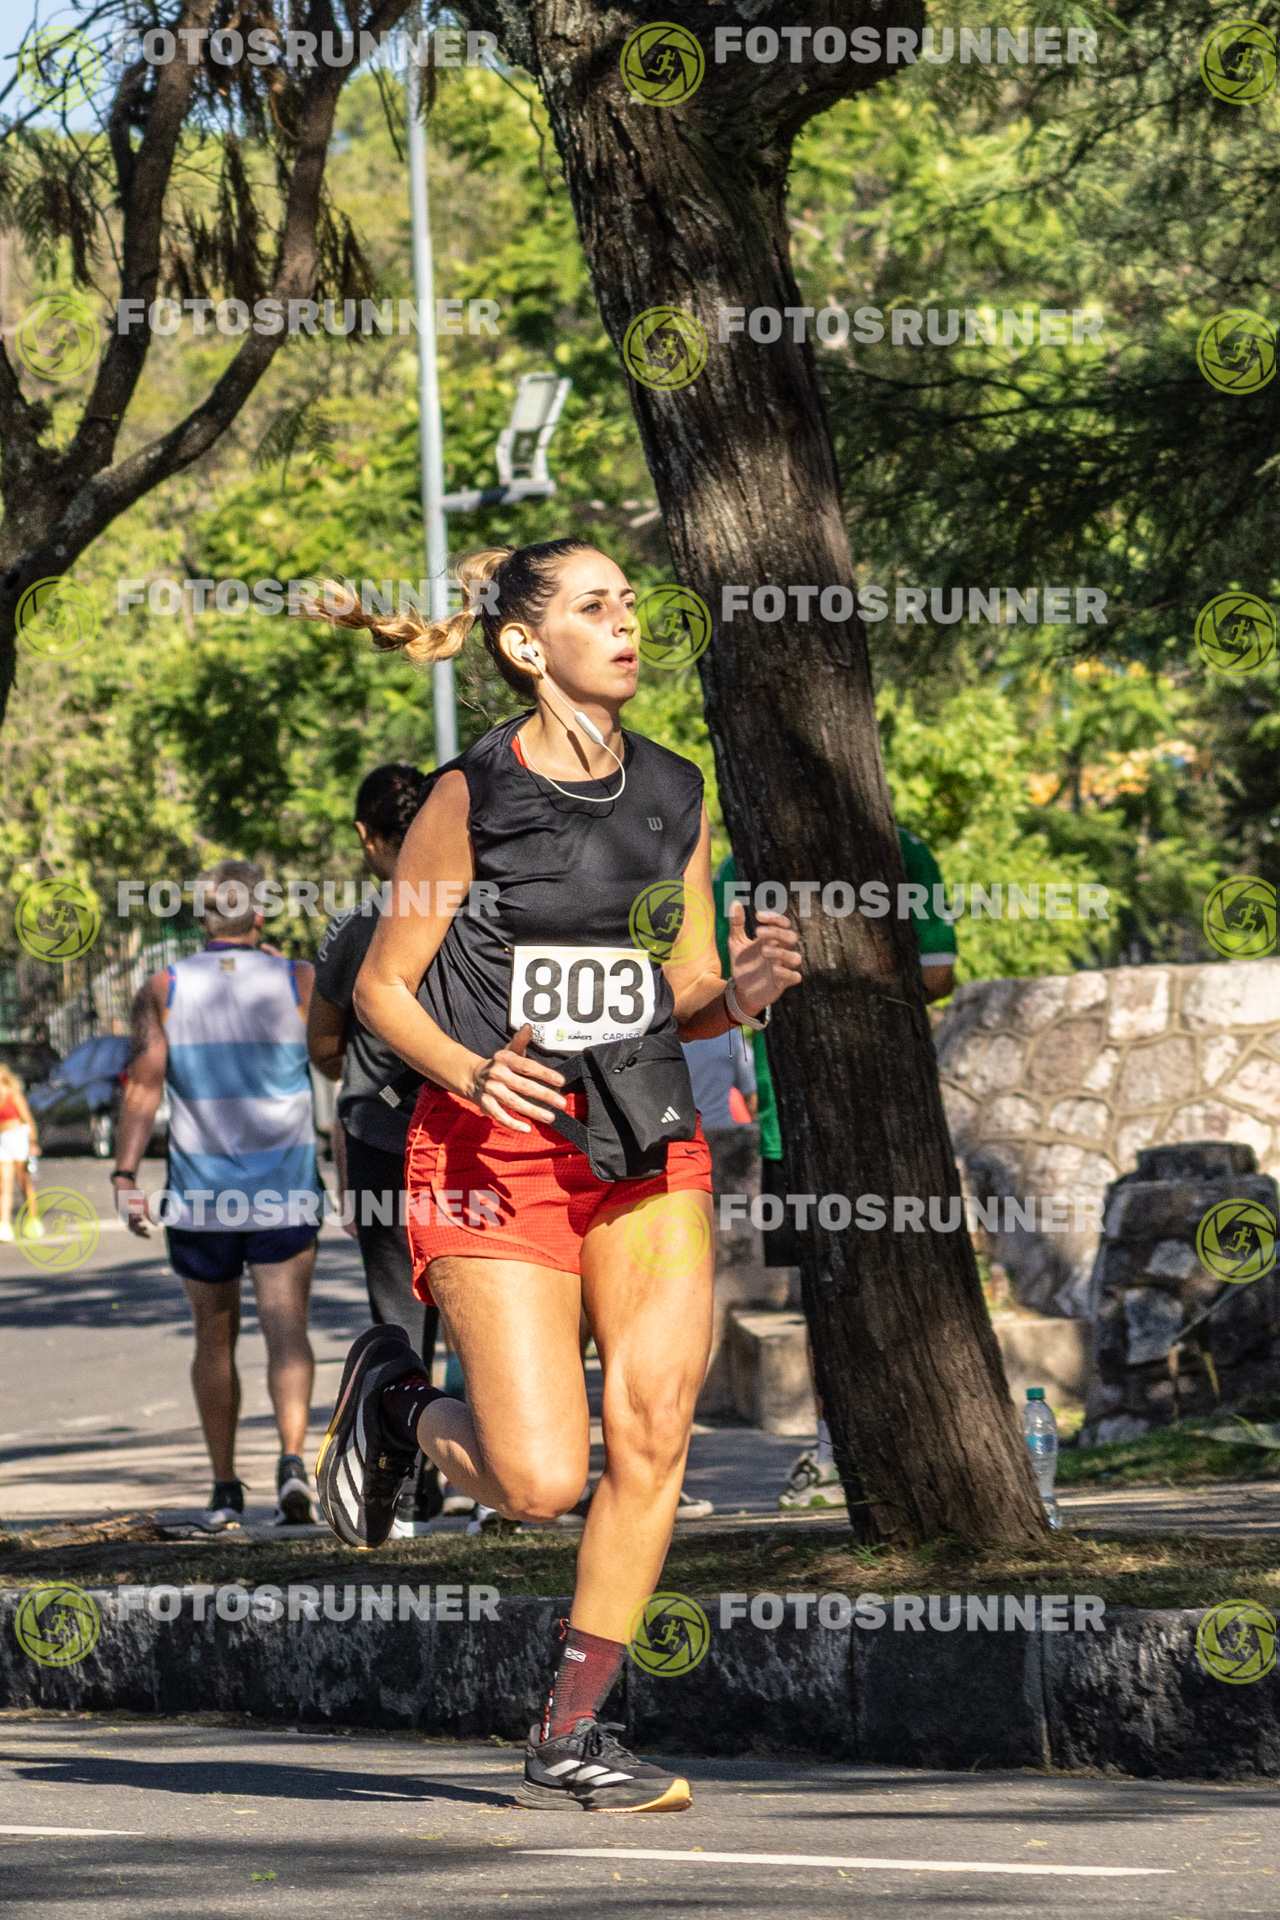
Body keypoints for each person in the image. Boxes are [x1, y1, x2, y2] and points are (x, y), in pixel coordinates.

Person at [309, 539, 802, 1811]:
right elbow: (383, 989)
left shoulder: (675, 789)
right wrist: (470, 1073)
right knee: (537, 1484)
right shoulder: (469, 793)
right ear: (526, 645)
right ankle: (394, 1402)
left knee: (653, 1429)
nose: (627, 624)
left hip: (643, 1140)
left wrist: (738, 993)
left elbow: (682, 991)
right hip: (494, 1152)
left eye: (628, 604)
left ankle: (573, 1729)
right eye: (595, 608)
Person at [716, 834, 958, 1512]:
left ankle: (906, 1445)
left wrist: (820, 975)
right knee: (828, 1294)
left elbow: (939, 974)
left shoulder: (901, 855)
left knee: (891, 1287)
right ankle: (835, 1452)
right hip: (804, 1121)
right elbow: (727, 990)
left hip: (883, 1122)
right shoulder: (741, 868)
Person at [113, 859, 324, 1530]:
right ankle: (293, 1463)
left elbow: (143, 1088)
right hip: (285, 1187)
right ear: (259, 914)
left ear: (203, 916)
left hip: (201, 1194)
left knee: (213, 1337)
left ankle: (226, 1487)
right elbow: (334, 1063)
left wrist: (124, 1176)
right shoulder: (299, 980)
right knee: (286, 1327)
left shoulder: (165, 987)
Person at [308, 762, 444, 1535]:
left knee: (399, 1317)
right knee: (489, 1307)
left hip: (381, 1142)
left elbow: (323, 1046)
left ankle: (406, 1493)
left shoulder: (355, 926)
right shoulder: (477, 913)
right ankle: (492, 1474)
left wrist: (367, 1077)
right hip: (473, 1135)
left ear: (367, 836)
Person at [0, 1066, 41, 1243]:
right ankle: (4, 1225)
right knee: (4, 1184)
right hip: (2, 1140)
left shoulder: (14, 1096)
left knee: (23, 1181)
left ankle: (33, 1221)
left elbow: (28, 1119)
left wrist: (33, 1142)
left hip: (17, 1138)